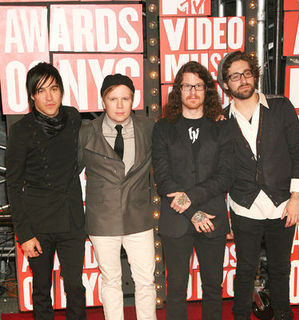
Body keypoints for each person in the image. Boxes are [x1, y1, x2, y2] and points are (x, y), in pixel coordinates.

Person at [217, 51, 299, 320]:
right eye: (235, 76)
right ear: (226, 85)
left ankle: (283, 314)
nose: (242, 79)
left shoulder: (281, 107)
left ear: (255, 75)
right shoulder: (221, 121)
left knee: (281, 267)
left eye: (247, 73)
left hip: (283, 204)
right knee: (246, 269)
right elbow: (221, 170)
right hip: (243, 206)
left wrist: (296, 197)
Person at [152, 61, 234, 320]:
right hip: (176, 221)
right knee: (176, 289)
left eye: (198, 86)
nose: (192, 92)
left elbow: (225, 176)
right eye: (187, 86)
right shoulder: (163, 127)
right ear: (178, 90)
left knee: (213, 287)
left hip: (213, 218)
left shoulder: (222, 127)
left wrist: (192, 201)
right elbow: (163, 178)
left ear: (207, 90)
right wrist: (192, 213)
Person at [6, 62, 86, 320]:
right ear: (32, 96)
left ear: (62, 90)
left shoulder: (73, 118)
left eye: (54, 89)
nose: (49, 97)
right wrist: (24, 234)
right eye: (41, 91)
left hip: (72, 220)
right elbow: (13, 185)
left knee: (75, 286)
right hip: (38, 224)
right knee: (42, 290)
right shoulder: (21, 131)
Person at [78, 74, 156, 320]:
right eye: (113, 99)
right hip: (102, 220)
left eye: (126, 98)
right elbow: (70, 172)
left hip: (139, 217)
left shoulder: (148, 127)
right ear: (103, 101)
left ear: (134, 100)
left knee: (145, 281)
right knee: (111, 280)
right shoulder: (87, 131)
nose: (120, 105)